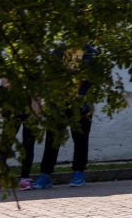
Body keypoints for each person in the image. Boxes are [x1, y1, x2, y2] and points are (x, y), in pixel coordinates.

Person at [33, 45, 102, 189]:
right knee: (52, 138)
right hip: (57, 103)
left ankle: (78, 172)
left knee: (80, 138)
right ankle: (45, 174)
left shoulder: (90, 52)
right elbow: (49, 75)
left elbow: (89, 77)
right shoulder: (58, 50)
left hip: (81, 103)